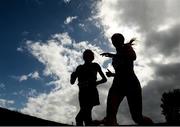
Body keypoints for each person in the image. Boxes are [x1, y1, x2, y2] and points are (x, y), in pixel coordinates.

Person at [101, 33, 152, 125]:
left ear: (122, 40)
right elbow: (122, 72)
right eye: (113, 40)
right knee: (110, 115)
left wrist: (112, 55)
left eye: (117, 39)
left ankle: (150, 124)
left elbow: (133, 57)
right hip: (117, 85)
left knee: (137, 118)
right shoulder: (116, 57)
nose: (115, 41)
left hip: (131, 85)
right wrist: (112, 74)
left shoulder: (127, 48)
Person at [70, 49, 107, 126]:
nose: (86, 56)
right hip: (82, 94)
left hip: (91, 92)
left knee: (79, 118)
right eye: (85, 55)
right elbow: (72, 82)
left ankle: (100, 122)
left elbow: (104, 79)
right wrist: (72, 77)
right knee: (87, 119)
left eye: (88, 55)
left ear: (92, 57)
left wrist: (95, 83)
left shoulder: (95, 65)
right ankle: (100, 122)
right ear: (83, 57)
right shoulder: (79, 68)